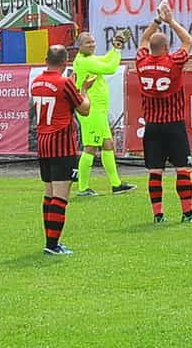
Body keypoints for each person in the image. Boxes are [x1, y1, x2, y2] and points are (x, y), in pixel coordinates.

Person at [136, 1, 192, 223]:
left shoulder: (141, 61)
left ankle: (158, 215)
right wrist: (170, 20)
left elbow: (144, 39)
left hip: (152, 125)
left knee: (155, 172)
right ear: (166, 48)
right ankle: (187, 212)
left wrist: (156, 20)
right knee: (182, 169)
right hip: (173, 124)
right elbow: (188, 41)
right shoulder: (174, 62)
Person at [32, 43, 89, 255]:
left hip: (43, 143)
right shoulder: (65, 82)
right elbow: (84, 109)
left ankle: (50, 241)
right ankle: (53, 245)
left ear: (46, 60)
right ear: (66, 63)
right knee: (60, 197)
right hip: (62, 145)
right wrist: (83, 90)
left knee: (48, 195)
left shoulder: (36, 82)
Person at [73, 29, 133, 197]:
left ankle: (116, 184)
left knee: (108, 144)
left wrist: (114, 48)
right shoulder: (85, 62)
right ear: (79, 46)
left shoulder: (88, 59)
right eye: (88, 43)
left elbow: (105, 59)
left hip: (97, 110)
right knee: (90, 147)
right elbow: (110, 67)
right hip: (91, 110)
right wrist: (118, 49)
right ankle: (83, 188)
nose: (92, 45)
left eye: (93, 41)